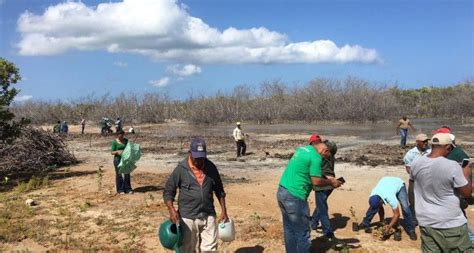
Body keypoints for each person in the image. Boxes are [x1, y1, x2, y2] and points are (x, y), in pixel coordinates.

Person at [163, 138, 228, 252]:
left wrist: (224, 211)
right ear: (190, 153)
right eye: (197, 157)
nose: (199, 161)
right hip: (187, 217)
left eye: (202, 157)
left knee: (210, 249)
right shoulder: (181, 170)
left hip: (208, 215)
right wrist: (171, 210)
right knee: (187, 249)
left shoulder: (211, 168)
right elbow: (168, 192)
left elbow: (219, 190)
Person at [410, 133, 472, 252]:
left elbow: (413, 186)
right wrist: (467, 171)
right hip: (450, 223)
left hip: (426, 222)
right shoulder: (452, 165)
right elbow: (466, 193)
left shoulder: (416, 163)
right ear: (448, 147)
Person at [277, 141, 342, 252]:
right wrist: (331, 183)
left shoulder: (303, 149)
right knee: (303, 233)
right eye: (326, 157)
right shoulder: (316, 158)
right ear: (325, 151)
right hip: (295, 197)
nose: (324, 160)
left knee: (289, 229)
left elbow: (305, 169)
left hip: (282, 191)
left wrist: (325, 177)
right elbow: (316, 181)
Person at [359, 176, 417, 241]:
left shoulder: (390, 197)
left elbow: (397, 214)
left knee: (405, 207)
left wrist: (389, 227)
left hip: (399, 184)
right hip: (386, 181)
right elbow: (378, 207)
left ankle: (411, 230)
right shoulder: (373, 194)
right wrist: (382, 222)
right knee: (374, 206)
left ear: (381, 200)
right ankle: (365, 222)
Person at [309, 134, 339, 241]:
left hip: (323, 182)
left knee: (322, 207)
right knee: (320, 204)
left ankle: (328, 232)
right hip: (332, 181)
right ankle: (313, 223)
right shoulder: (330, 149)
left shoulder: (318, 153)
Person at [403, 133, 430, 222]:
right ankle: (413, 219)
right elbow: (408, 169)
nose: (426, 143)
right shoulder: (410, 154)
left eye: (426, 141)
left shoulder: (430, 151)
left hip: (428, 180)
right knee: (413, 201)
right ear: (417, 142)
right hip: (414, 181)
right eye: (423, 142)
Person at [111, 130, 132, 194]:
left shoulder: (126, 141)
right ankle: (120, 189)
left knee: (127, 174)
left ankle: (128, 188)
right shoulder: (114, 142)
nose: (121, 137)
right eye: (120, 136)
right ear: (117, 135)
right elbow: (112, 152)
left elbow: (129, 149)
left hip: (125, 159)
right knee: (119, 174)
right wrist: (117, 152)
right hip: (117, 159)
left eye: (122, 136)